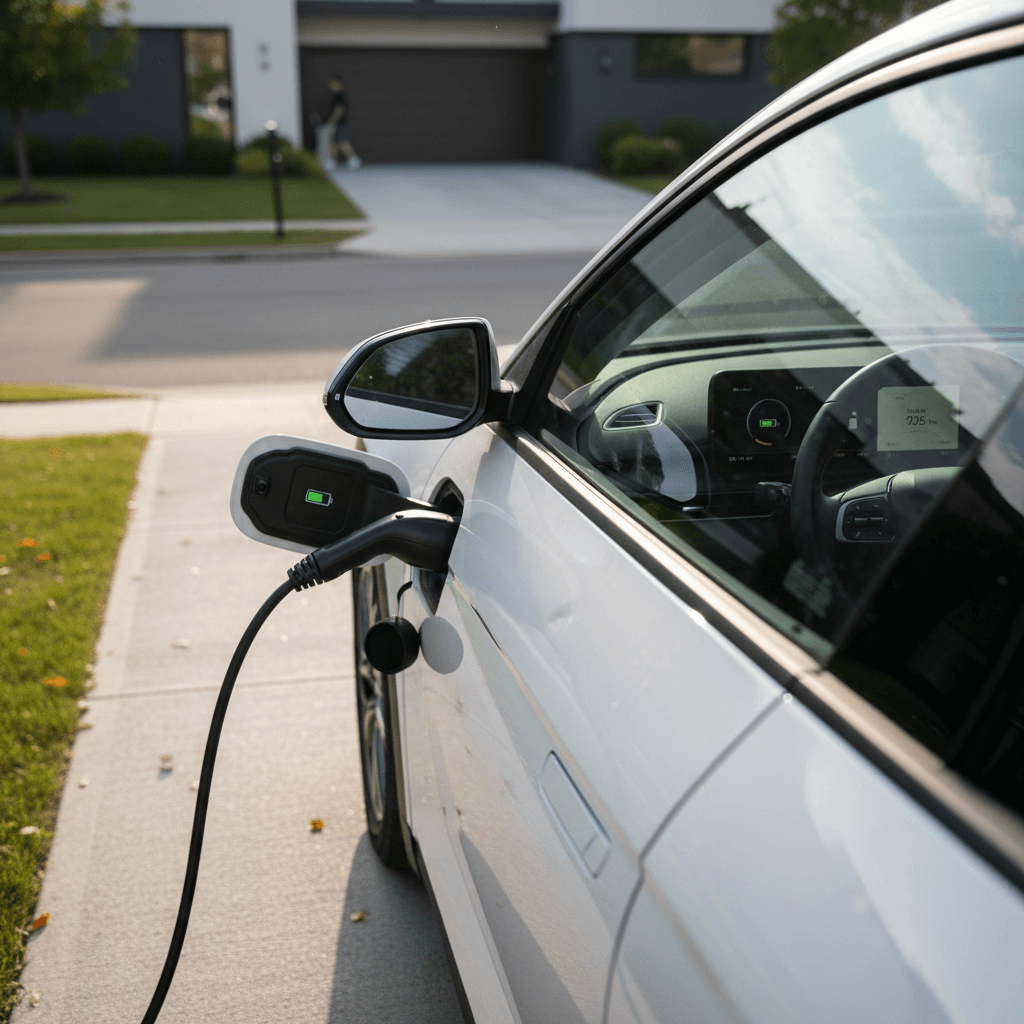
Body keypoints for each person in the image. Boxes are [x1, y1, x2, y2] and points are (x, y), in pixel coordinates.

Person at [325, 77, 361, 169]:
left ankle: (354, 160)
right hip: (338, 123)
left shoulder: (340, 95)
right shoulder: (337, 95)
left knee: (342, 142)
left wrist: (332, 121)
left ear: (337, 83)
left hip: (340, 123)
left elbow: (339, 109)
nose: (331, 86)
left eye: (332, 84)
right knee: (334, 143)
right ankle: (332, 162)